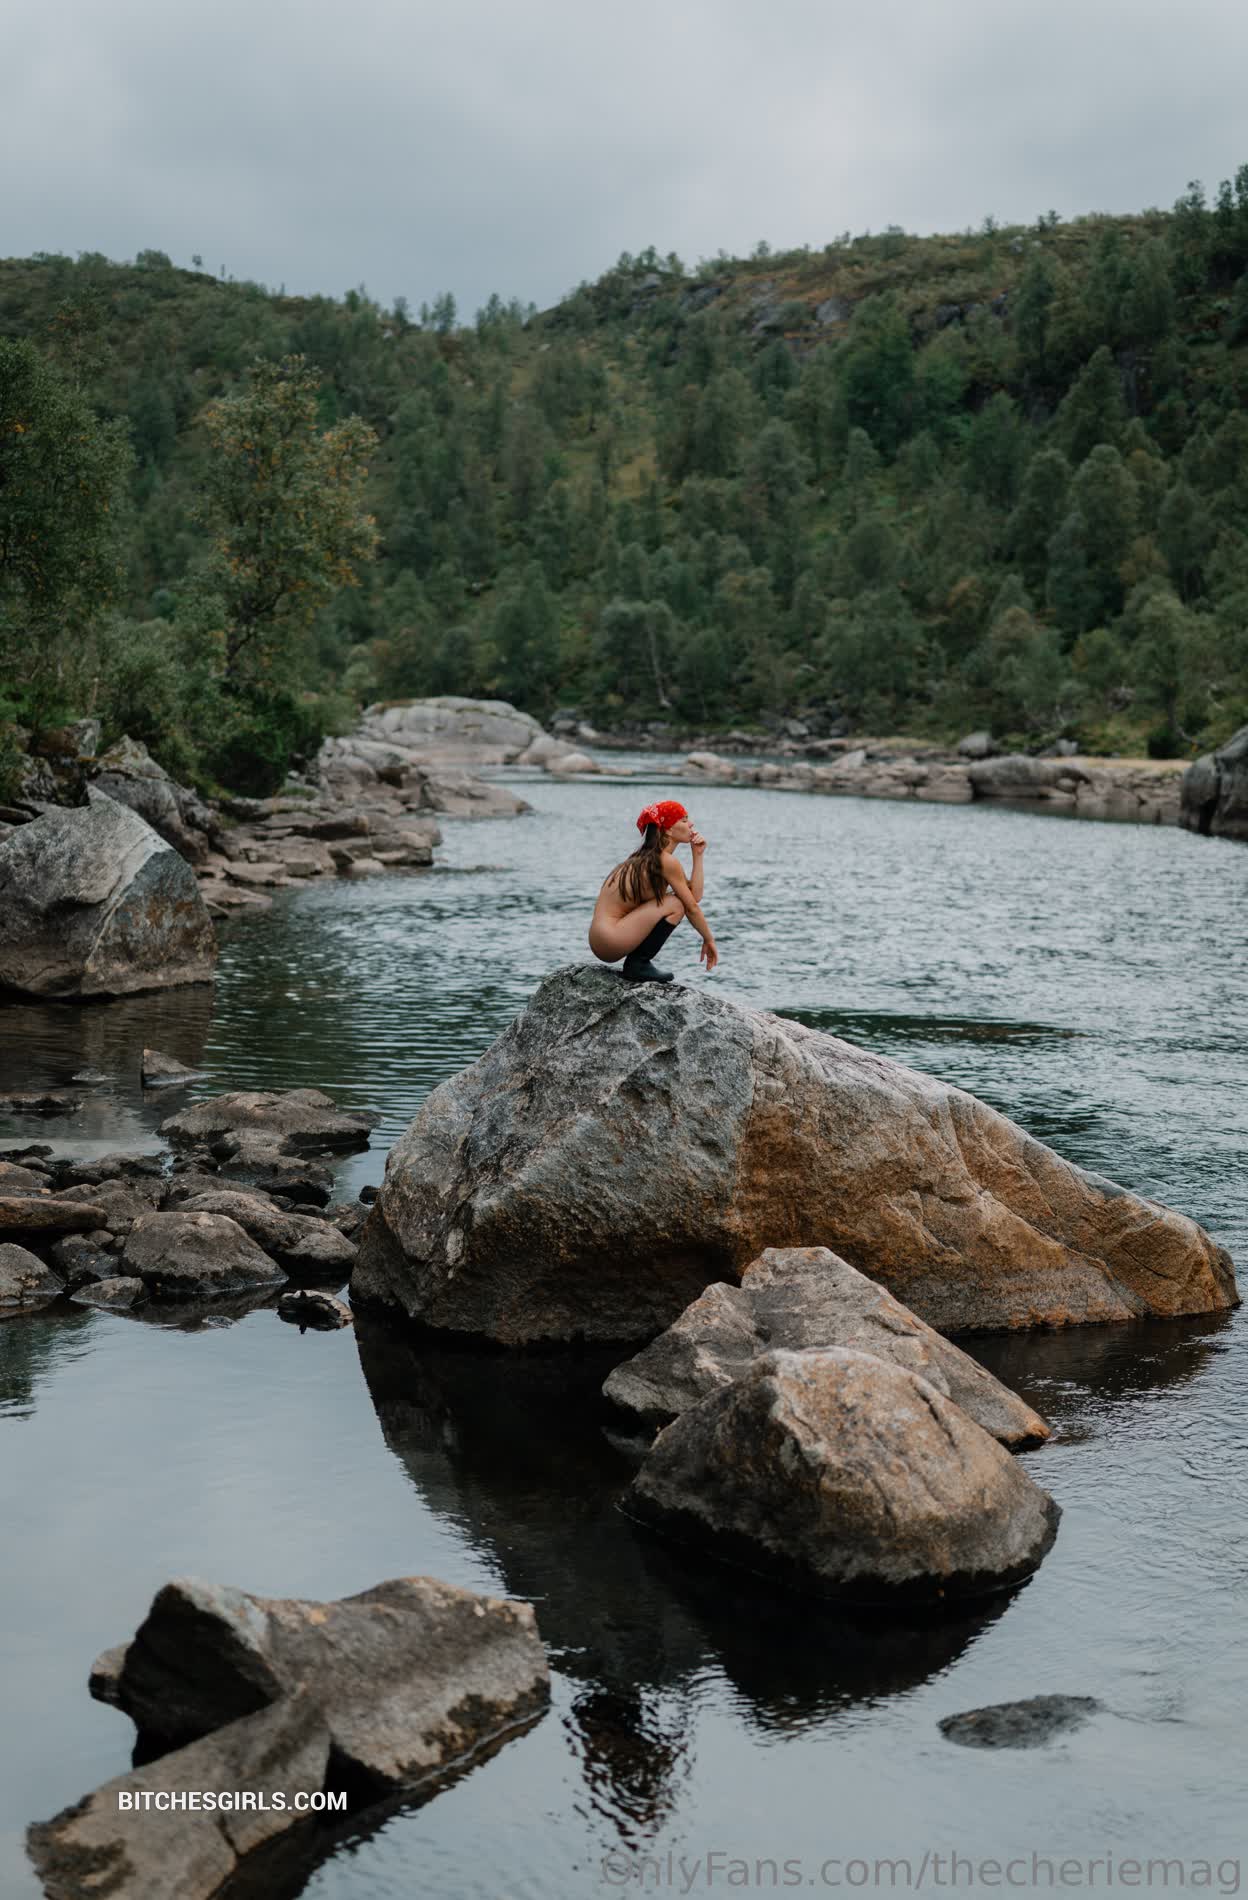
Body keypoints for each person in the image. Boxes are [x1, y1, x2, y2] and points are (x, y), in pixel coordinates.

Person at [588, 798, 719, 984]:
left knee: (676, 900)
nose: (691, 824)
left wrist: (697, 855)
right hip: (610, 937)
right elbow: (691, 907)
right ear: (668, 830)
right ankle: (638, 963)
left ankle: (637, 963)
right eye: (684, 820)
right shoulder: (664, 861)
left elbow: (694, 896)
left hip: (602, 938)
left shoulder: (649, 858)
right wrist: (709, 939)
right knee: (675, 904)